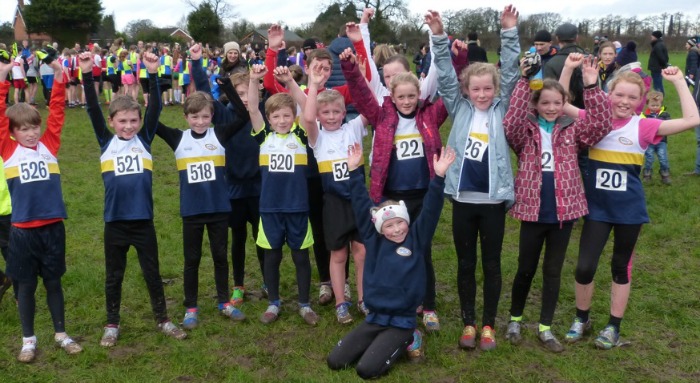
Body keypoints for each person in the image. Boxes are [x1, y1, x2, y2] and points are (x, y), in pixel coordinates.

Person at [564, 67, 700, 350]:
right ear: (608, 95)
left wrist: (677, 82)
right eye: (619, 95)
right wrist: (567, 69)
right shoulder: (595, 120)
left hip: (629, 212)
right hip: (597, 210)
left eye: (632, 97)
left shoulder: (643, 126)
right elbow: (562, 103)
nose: (624, 101)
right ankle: (582, 318)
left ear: (640, 101)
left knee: (620, 268)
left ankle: (613, 327)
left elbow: (692, 119)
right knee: (584, 267)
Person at [503, 53, 612, 353]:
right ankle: (515, 319)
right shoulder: (524, 132)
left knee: (553, 271)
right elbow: (510, 121)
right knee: (525, 268)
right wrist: (526, 81)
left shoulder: (573, 130)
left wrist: (592, 87)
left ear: (564, 104)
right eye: (545, 103)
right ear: (536, 105)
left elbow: (601, 126)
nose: (551, 108)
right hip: (532, 211)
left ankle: (545, 327)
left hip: (564, 214)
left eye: (557, 103)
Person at [78, 51, 187, 346]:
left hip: (143, 222)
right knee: (114, 276)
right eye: (122, 121)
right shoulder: (105, 140)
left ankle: (163, 319)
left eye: (133, 120)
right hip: (114, 222)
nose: (128, 126)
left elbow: (156, 112)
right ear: (112, 121)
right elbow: (91, 108)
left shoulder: (145, 138)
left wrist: (152, 74)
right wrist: (87, 74)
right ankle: (112, 324)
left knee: (152, 272)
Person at [426, 6, 519, 350]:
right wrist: (438, 35)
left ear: (494, 90)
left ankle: (489, 325)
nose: (482, 95)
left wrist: (509, 32)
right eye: (475, 89)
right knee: (465, 264)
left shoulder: (503, 107)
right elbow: (446, 74)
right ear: (466, 90)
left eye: (487, 89)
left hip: (493, 201)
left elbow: (510, 73)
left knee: (491, 264)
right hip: (463, 200)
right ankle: (468, 323)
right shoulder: (459, 106)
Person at [342, 38, 448, 334]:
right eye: (401, 96)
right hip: (390, 196)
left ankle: (427, 306)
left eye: (411, 96)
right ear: (391, 95)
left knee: (421, 250)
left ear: (419, 94)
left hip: (422, 195)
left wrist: (454, 59)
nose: (406, 101)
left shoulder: (430, 115)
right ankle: (397, 301)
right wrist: (350, 68)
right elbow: (362, 97)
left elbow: (450, 95)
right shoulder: (382, 115)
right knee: (390, 250)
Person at [327, 142, 455, 379]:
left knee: (366, 370)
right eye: (389, 225)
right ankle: (378, 339)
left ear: (407, 221)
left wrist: (438, 177)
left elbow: (430, 210)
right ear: (379, 228)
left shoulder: (417, 238)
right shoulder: (372, 239)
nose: (396, 230)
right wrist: (355, 171)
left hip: (401, 321)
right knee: (335, 361)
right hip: (375, 317)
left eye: (400, 222)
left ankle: (411, 337)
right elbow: (360, 203)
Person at [0, 57, 82, 363]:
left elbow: (57, 111)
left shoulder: (50, 144)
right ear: (13, 133)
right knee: (25, 286)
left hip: (52, 228)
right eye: (23, 129)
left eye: (34, 126)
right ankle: (28, 340)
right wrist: (3, 79)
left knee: (53, 282)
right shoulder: (8, 150)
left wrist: (60, 77)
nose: (32, 133)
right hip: (21, 231)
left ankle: (61, 334)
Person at [156, 91, 250, 329]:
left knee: (220, 257)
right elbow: (152, 123)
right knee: (192, 260)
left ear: (212, 116)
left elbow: (242, 115)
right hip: (192, 212)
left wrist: (227, 85)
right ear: (186, 117)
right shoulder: (178, 138)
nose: (200, 122)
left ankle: (223, 302)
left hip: (218, 209)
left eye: (205, 117)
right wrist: (154, 80)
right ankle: (191, 307)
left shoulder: (219, 133)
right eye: (195, 117)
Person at [189, 43, 265, 307]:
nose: (245, 97)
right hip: (232, 189)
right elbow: (203, 92)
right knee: (238, 240)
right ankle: (238, 285)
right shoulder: (223, 115)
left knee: (262, 238)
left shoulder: (260, 114)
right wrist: (197, 63)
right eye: (240, 92)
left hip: (258, 188)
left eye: (249, 92)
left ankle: (268, 281)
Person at [247, 64, 319, 326]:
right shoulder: (264, 136)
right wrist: (254, 80)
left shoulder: (301, 136)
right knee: (272, 255)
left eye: (286, 116)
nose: (281, 121)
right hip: (270, 208)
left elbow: (307, 110)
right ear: (269, 119)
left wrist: (290, 83)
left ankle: (304, 304)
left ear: (294, 117)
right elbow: (252, 108)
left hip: (297, 207)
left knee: (301, 257)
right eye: (276, 117)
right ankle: (273, 303)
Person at [297, 62, 369, 324]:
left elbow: (369, 107)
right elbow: (307, 117)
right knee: (338, 254)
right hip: (334, 203)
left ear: (343, 112)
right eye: (325, 112)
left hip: (359, 201)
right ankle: (341, 303)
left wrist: (359, 75)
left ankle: (363, 299)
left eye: (336, 111)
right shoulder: (317, 137)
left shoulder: (354, 129)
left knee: (361, 251)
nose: (330, 116)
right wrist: (313, 84)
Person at [641, 91, 672, 184]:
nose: (655, 107)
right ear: (647, 104)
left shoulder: (664, 115)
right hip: (649, 142)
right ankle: (647, 174)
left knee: (663, 158)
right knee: (649, 158)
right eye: (652, 105)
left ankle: (665, 174)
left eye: (657, 105)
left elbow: (669, 125)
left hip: (661, 141)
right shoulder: (644, 116)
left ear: (661, 104)